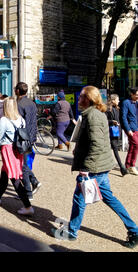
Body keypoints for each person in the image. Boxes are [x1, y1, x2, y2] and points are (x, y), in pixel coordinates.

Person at [52, 86, 138, 249]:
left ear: (89, 99)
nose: (78, 100)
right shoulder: (94, 114)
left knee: (79, 197)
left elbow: (97, 144)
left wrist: (86, 168)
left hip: (94, 167)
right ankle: (134, 230)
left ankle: (71, 232)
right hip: (101, 165)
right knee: (108, 198)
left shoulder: (92, 116)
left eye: (81, 97)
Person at [0, 97, 35, 216]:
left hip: (8, 149)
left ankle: (28, 206)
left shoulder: (4, 119)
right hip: (18, 150)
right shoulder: (21, 119)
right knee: (5, 172)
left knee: (14, 177)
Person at [15, 82, 41, 200]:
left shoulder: (19, 104)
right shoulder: (32, 103)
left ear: (18, 91)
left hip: (23, 137)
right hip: (31, 135)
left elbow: (18, 123)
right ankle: (34, 181)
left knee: (23, 166)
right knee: (24, 164)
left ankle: (27, 193)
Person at [106, 94, 127, 176]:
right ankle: (122, 167)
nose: (119, 101)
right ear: (113, 100)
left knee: (112, 149)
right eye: (117, 99)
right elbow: (105, 120)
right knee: (114, 149)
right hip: (111, 132)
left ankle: (110, 164)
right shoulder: (108, 109)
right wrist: (112, 122)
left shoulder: (117, 108)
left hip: (117, 132)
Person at [121, 87, 138, 175]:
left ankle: (128, 165)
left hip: (137, 127)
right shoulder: (126, 103)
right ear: (132, 94)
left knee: (133, 146)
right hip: (131, 128)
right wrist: (128, 129)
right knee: (136, 144)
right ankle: (132, 165)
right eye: (136, 95)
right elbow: (124, 117)